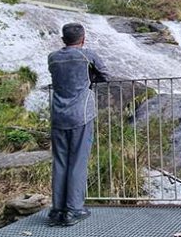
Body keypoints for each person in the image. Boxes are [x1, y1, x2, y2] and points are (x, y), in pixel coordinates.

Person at [47, 23, 109, 227]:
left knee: (60, 162)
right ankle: (73, 209)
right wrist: (89, 79)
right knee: (78, 162)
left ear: (63, 39)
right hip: (81, 115)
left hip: (58, 114)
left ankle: (57, 210)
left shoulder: (53, 57)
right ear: (83, 38)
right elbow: (105, 76)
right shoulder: (87, 55)